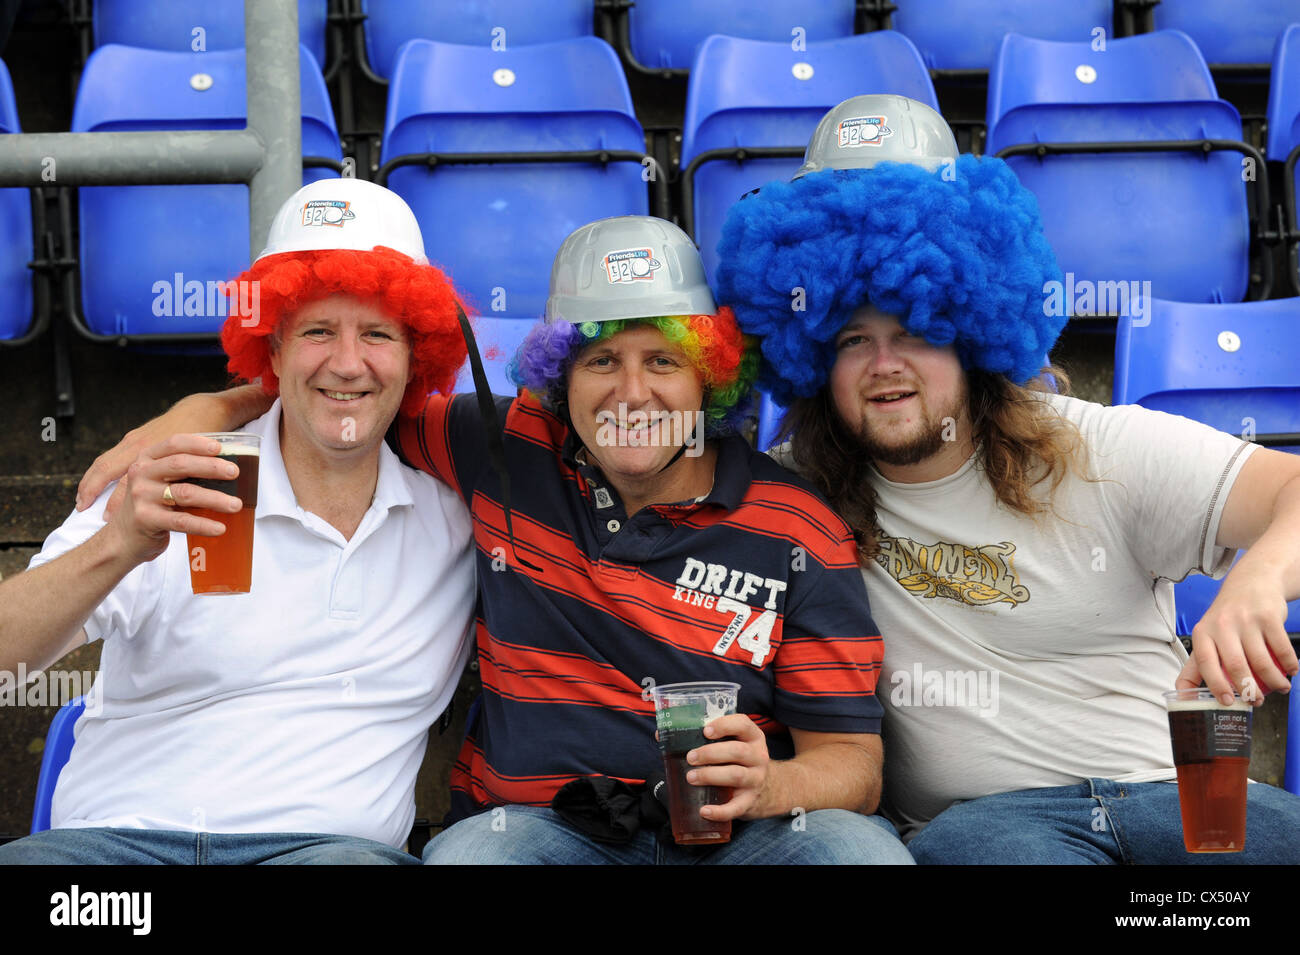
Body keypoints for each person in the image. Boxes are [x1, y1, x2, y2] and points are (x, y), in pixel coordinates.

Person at [76, 215, 914, 865]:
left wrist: (775, 785)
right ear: (558, 379)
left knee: (859, 850)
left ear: (711, 375)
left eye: (663, 360)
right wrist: (203, 412)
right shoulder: (501, 447)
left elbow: (853, 764)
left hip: (744, 835)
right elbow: (338, 388)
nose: (631, 391)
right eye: (600, 360)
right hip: (541, 830)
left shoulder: (795, 521)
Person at [715, 94, 1300, 864]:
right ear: (816, 359)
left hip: (1179, 795)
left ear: (974, 333)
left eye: (917, 329)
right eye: (854, 339)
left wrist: (1257, 580)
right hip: (996, 828)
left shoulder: (1097, 446)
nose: (885, 365)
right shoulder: (800, 498)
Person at [0, 178, 477, 864]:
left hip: (321, 853)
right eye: (317, 331)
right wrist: (118, 545)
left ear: (415, 356)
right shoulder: (170, 473)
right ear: (273, 355)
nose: (348, 362)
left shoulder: (458, 515)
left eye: (376, 333)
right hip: (113, 849)